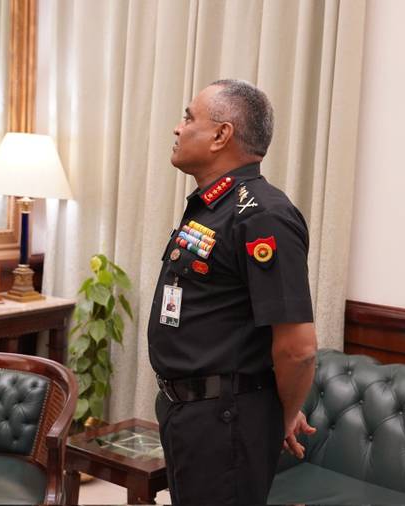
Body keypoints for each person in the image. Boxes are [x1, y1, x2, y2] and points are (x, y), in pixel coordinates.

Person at [148, 79, 318, 505]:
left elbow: (298, 349)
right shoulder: (215, 206)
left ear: (221, 135)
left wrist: (281, 416)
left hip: (224, 419)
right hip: (190, 411)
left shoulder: (263, 216)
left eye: (189, 118)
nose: (178, 128)